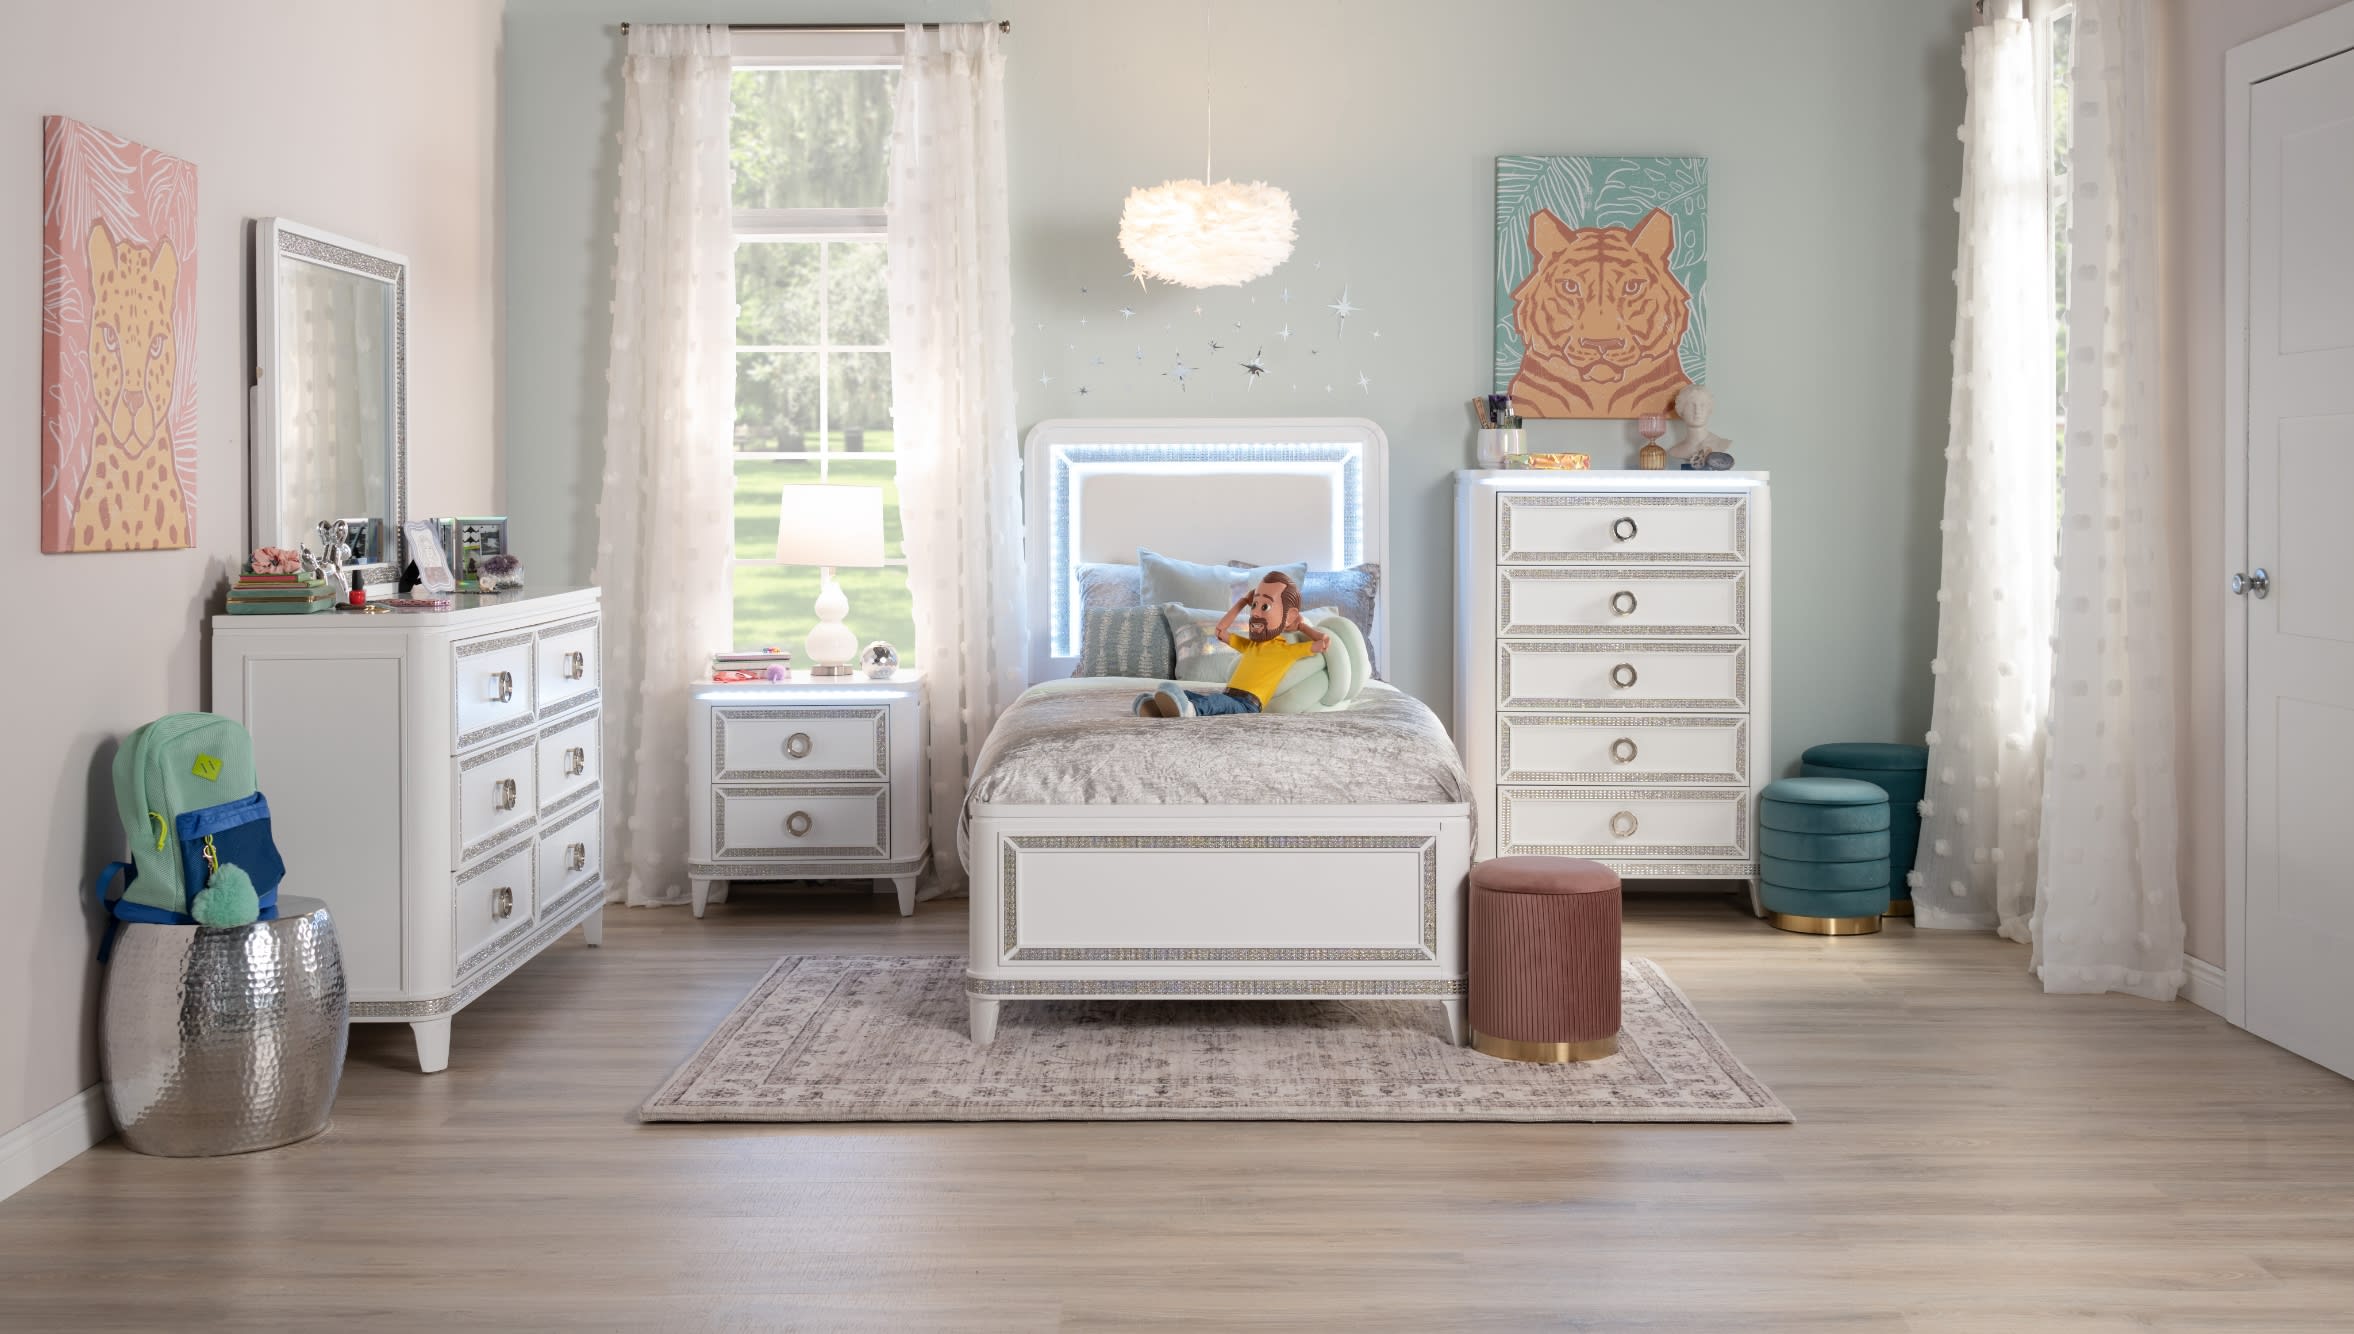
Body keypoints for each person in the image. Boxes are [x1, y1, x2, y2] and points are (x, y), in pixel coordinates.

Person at [1135, 571, 1331, 718]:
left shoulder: (1286, 651)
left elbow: (1322, 643)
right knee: (1189, 694)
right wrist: (1243, 602)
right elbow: (1221, 631)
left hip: (1248, 706)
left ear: (1290, 616)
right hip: (1230, 696)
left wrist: (1301, 626)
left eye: (1265, 606)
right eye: (1254, 605)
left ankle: (1189, 711)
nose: (1254, 612)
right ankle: (1157, 707)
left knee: (1215, 702)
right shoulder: (1251, 646)